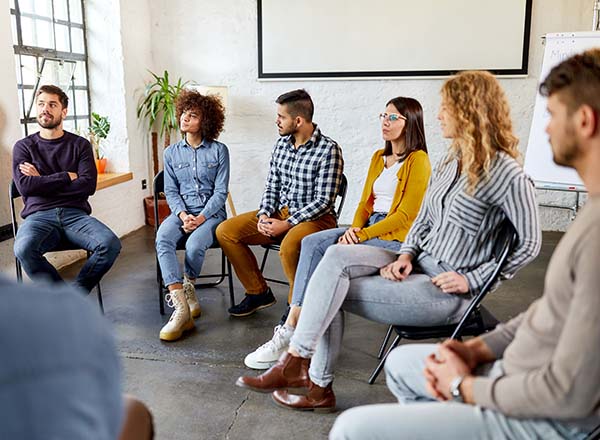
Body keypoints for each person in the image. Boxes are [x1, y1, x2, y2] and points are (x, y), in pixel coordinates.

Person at [329, 49, 600, 440]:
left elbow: (568, 395)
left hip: (539, 412)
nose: (544, 129)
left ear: (585, 121)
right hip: (510, 369)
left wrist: (465, 386)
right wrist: (475, 351)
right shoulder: (589, 213)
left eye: (552, 116)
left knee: (351, 429)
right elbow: (549, 311)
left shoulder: (573, 221)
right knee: (402, 362)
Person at [236, 70, 541, 413]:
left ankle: (310, 377)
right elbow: (424, 218)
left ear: (469, 110)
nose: (438, 115)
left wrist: (472, 280)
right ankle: (300, 365)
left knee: (325, 289)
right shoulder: (451, 160)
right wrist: (407, 254)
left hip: (447, 291)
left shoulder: (506, 173)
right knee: (332, 260)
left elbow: (529, 243)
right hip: (417, 265)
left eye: (445, 108)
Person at [244, 96, 431, 369]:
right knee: (311, 243)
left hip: (395, 239)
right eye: (383, 115)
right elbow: (364, 204)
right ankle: (294, 322)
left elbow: (405, 216)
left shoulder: (419, 160)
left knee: (333, 255)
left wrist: (362, 235)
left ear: (410, 122)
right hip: (366, 229)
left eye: (393, 118)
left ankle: (293, 330)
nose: (385, 122)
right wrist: (355, 228)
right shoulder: (379, 158)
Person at [216, 89, 344, 317]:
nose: (276, 121)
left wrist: (288, 223)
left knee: (289, 247)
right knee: (226, 231)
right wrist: (265, 214)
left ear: (298, 120)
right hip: (280, 213)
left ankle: (298, 306)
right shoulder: (281, 145)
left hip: (317, 219)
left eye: (281, 117)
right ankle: (258, 292)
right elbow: (272, 186)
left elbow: (324, 201)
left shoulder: (329, 150)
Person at [12, 84, 121, 293]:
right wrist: (65, 177)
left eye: (52, 104)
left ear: (64, 112)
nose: (45, 109)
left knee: (109, 244)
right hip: (39, 216)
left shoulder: (80, 145)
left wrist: (41, 181)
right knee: (23, 249)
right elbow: (25, 187)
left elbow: (87, 186)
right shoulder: (24, 147)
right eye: (41, 104)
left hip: (75, 216)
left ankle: (75, 295)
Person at [155, 89, 229, 341]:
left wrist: (201, 218)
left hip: (212, 214)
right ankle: (180, 305)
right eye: (184, 113)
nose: (185, 119)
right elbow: (170, 190)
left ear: (205, 121)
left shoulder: (219, 151)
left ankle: (189, 287)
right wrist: (184, 214)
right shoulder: (171, 153)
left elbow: (220, 192)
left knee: (196, 244)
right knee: (163, 237)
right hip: (182, 212)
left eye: (193, 115)